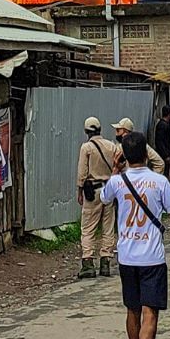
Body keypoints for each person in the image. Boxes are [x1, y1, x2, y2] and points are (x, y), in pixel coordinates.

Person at [100, 131, 170, 339]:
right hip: (152, 258)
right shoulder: (158, 182)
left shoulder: (117, 182)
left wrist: (115, 169)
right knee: (151, 311)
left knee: (133, 310)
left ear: (124, 155)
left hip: (127, 256)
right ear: (147, 154)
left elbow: (103, 198)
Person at [77, 116, 121, 279]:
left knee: (88, 227)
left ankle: (88, 263)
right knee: (108, 226)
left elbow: (82, 172)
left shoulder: (86, 147)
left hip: (92, 191)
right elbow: (119, 166)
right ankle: (105, 262)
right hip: (108, 189)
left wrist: (79, 191)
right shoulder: (112, 146)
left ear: (87, 131)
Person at [154, 105, 170, 170]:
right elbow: (159, 141)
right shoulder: (163, 125)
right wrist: (165, 155)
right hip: (163, 156)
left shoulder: (164, 124)